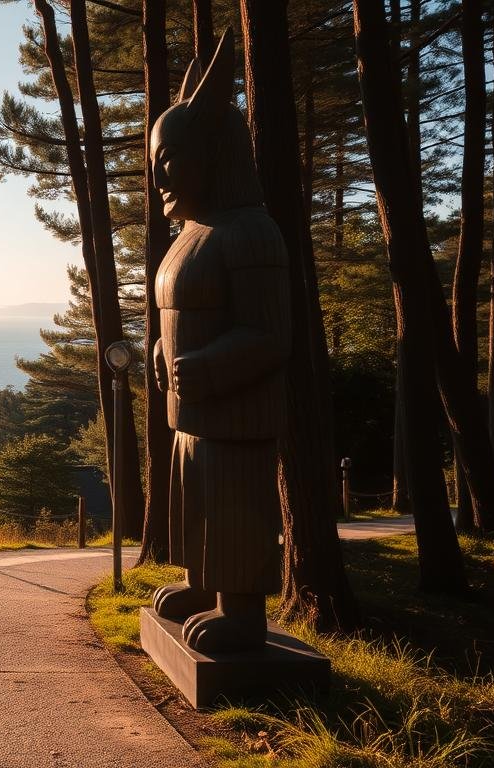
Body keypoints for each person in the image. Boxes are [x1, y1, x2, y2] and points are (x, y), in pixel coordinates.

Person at [147, 31, 292, 653]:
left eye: (170, 160)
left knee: (233, 505)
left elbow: (269, 332)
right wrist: (161, 350)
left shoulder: (250, 233)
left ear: (213, 152)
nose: (158, 177)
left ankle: (241, 611)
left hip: (234, 414)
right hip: (194, 414)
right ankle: (203, 585)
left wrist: (209, 366)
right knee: (196, 499)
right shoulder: (193, 233)